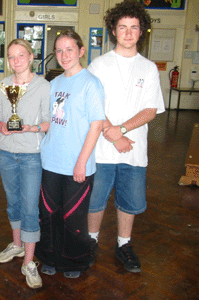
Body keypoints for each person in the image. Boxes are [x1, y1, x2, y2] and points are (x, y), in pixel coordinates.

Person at [87, 0, 165, 273]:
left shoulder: (149, 68)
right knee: (95, 201)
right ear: (113, 31)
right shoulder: (98, 65)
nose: (129, 32)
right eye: (123, 27)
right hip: (100, 150)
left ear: (142, 31)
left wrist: (120, 131)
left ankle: (123, 244)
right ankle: (91, 241)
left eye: (134, 27)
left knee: (129, 203)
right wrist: (112, 134)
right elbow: (93, 106)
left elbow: (150, 110)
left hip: (133, 150)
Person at [34, 29, 105, 279]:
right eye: (59, 50)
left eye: (69, 49)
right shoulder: (53, 84)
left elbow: (96, 125)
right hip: (51, 161)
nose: (64, 55)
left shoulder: (91, 83)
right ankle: (50, 257)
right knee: (48, 214)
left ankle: (74, 261)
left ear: (81, 51)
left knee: (72, 218)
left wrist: (81, 163)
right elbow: (47, 120)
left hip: (78, 164)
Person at [0, 38, 51, 289]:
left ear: (31, 57)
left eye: (21, 55)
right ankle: (16, 245)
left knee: (29, 207)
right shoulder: (3, 85)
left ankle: (28, 261)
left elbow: (48, 122)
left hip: (30, 155)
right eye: (12, 57)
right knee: (13, 202)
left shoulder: (43, 85)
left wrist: (31, 128)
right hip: (5, 152)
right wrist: (0, 126)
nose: (16, 61)